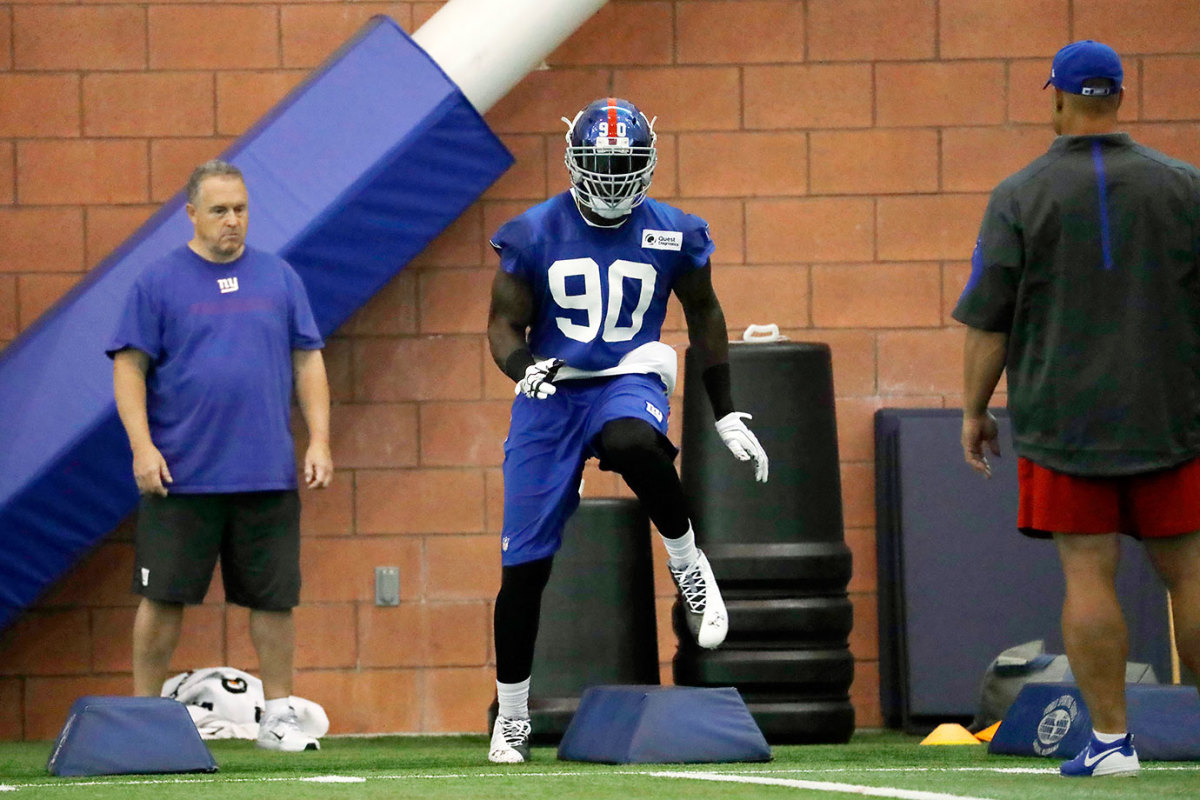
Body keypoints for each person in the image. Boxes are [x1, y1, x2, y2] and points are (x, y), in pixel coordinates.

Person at [483, 97, 769, 764]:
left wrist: (724, 409)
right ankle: (514, 717)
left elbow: (706, 316)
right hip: (552, 393)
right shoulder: (532, 232)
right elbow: (503, 325)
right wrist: (523, 367)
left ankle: (687, 561)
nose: (612, 179)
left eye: (625, 166)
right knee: (523, 569)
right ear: (573, 163)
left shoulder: (675, 231)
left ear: (649, 164)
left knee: (633, 442)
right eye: (600, 166)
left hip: (625, 379)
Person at [954, 40, 1200, 778]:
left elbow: (989, 322)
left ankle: (1113, 744)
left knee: (1088, 575)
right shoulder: (1186, 186)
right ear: (1120, 97)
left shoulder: (1018, 195)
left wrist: (974, 409)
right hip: (1173, 414)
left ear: (1056, 98)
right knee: (1189, 573)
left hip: (1064, 423)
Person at [108, 159, 333, 752]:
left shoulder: (279, 277)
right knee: (162, 598)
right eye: (219, 211)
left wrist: (320, 439)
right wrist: (142, 447)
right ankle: (145, 717)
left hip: (265, 474)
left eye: (240, 209)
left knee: (273, 600)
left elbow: (308, 359)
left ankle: (278, 715)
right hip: (180, 476)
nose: (232, 221)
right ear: (191, 214)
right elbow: (128, 367)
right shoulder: (157, 282)